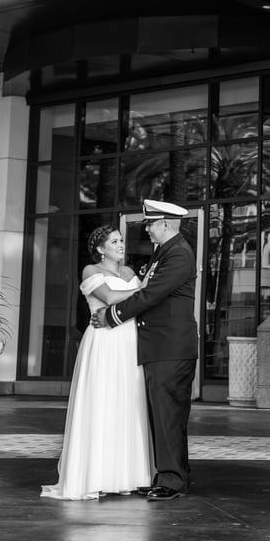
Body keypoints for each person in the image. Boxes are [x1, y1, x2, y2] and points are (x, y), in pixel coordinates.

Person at [91, 198, 198, 502]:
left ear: (165, 224)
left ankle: (173, 481)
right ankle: (165, 476)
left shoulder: (178, 254)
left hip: (171, 348)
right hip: (160, 347)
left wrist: (112, 316)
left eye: (150, 224)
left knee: (168, 416)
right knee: (160, 415)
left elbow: (151, 295)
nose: (147, 229)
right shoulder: (165, 252)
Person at [41, 225, 153, 500]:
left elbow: (144, 302)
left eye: (121, 240)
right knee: (102, 402)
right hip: (104, 341)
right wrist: (144, 290)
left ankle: (127, 476)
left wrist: (144, 290)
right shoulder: (91, 270)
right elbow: (111, 298)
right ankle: (95, 476)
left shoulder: (129, 273)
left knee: (129, 403)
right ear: (101, 249)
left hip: (129, 342)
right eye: (113, 241)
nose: (120, 244)